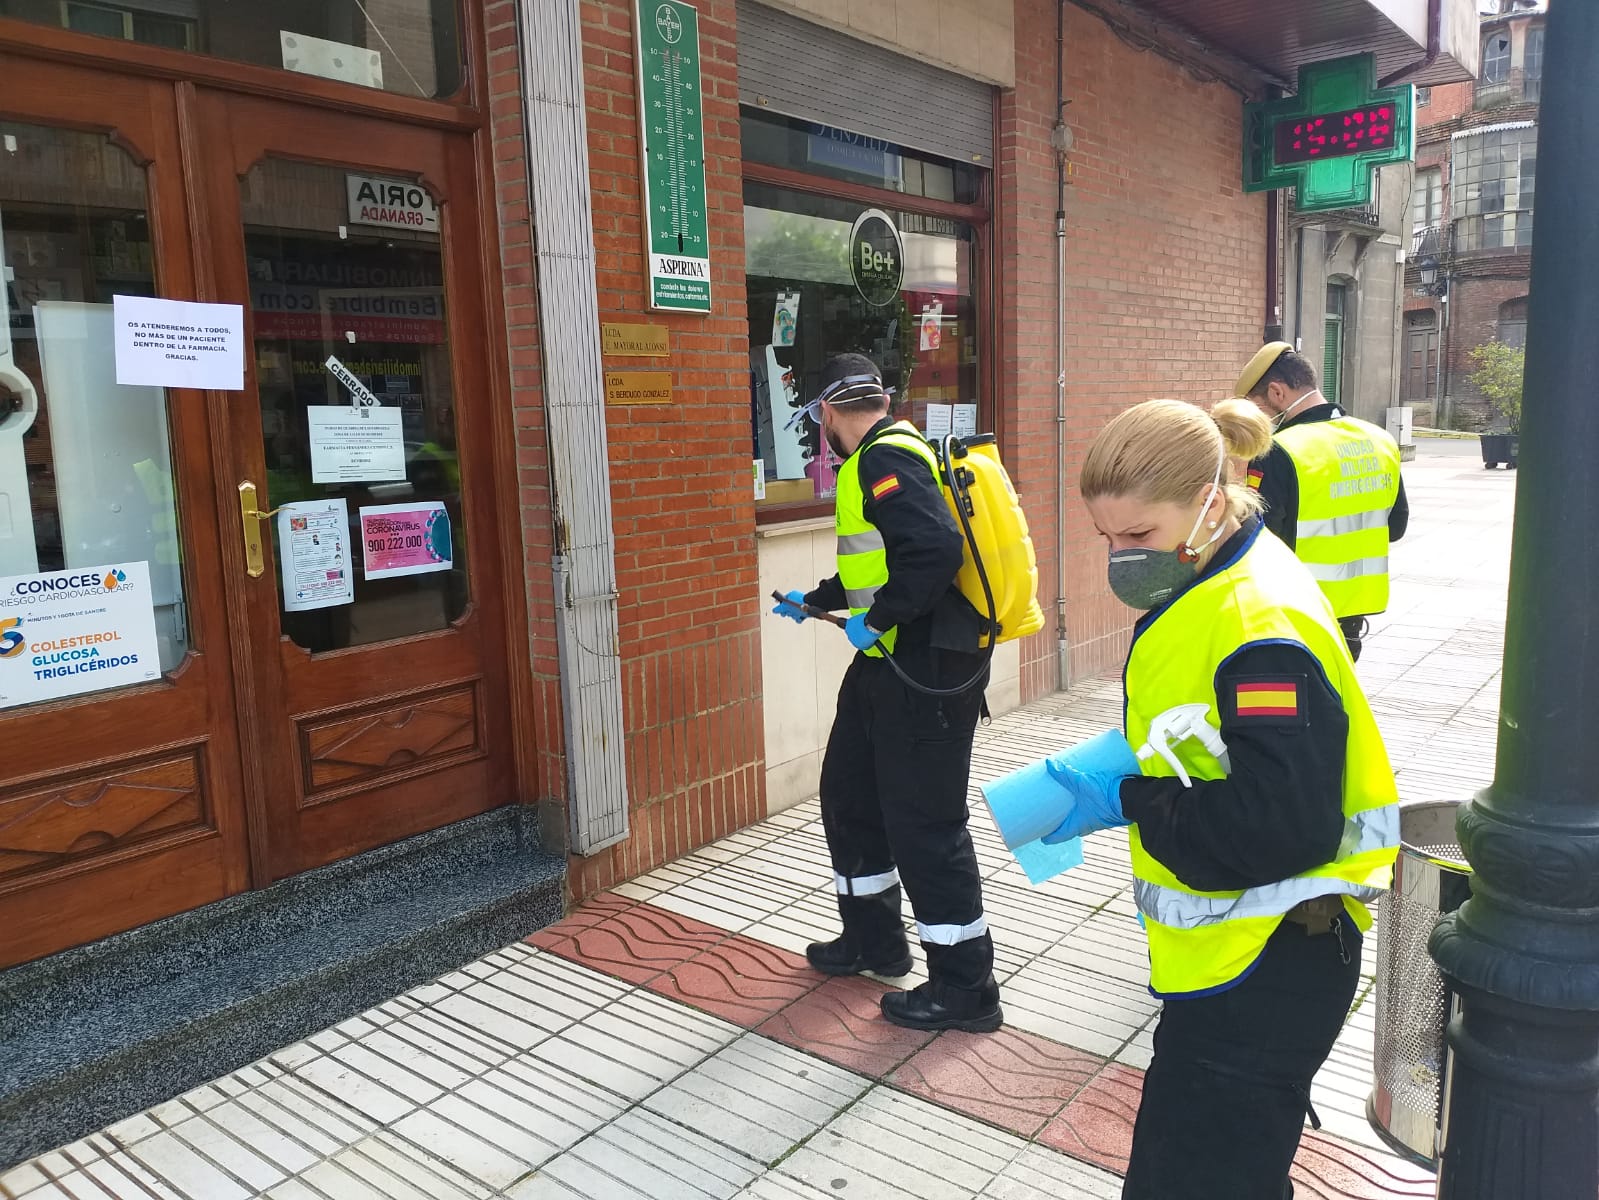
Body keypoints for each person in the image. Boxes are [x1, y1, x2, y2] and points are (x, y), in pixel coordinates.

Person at [1031, 398, 1399, 1199]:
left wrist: (1132, 797)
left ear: (1207, 499)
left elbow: (1278, 828)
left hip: (1264, 969)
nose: (1120, 558)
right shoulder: (1220, 567)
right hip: (1245, 963)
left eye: (1138, 537)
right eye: (1106, 538)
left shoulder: (1254, 623)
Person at [771, 353, 1000, 1033]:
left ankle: (966, 988)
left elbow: (932, 552)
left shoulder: (882, 458)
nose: (821, 431)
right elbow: (886, 560)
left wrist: (881, 618)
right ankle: (873, 940)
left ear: (830, 412)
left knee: (926, 827)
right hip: (891, 664)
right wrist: (821, 599)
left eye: (818, 418)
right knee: (850, 797)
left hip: (924, 669)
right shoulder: (882, 456)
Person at [1234, 343, 1408, 661]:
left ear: (1276, 393)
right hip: (1352, 619)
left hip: (1295, 615)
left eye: (1259, 409)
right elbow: (1395, 528)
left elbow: (1259, 541)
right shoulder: (1380, 440)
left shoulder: (1277, 451)